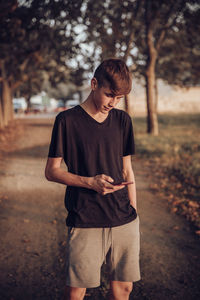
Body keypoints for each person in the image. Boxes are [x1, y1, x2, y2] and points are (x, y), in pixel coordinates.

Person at [45, 58, 140, 300]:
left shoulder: (122, 121)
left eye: (119, 98)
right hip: (85, 217)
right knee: (77, 291)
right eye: (110, 95)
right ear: (94, 83)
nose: (114, 102)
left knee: (124, 289)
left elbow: (127, 170)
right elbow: (52, 171)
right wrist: (90, 182)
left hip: (123, 218)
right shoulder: (66, 121)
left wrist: (134, 214)